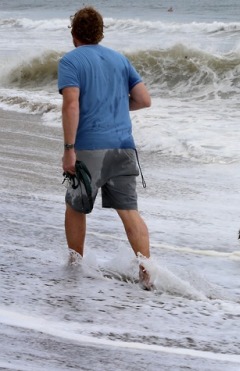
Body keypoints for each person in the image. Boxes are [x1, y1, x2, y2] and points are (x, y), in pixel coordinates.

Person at [58, 6, 153, 289]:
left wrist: (68, 148)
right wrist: (112, 107)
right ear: (100, 33)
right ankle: (147, 275)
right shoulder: (120, 59)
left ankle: (75, 265)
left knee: (75, 206)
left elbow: (71, 104)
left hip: (89, 149)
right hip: (124, 147)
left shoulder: (71, 61)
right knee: (129, 212)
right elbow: (144, 99)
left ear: (74, 33)